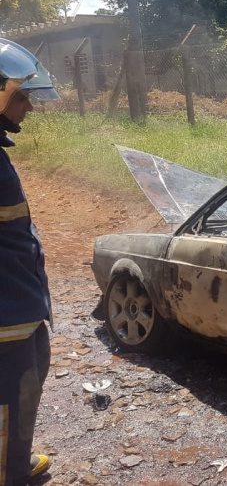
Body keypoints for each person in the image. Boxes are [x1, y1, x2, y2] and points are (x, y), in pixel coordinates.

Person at [0, 38, 60, 485]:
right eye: (21, 96)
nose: (29, 107)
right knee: (12, 399)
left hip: (19, 306)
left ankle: (14, 460)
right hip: (6, 315)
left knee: (25, 388)